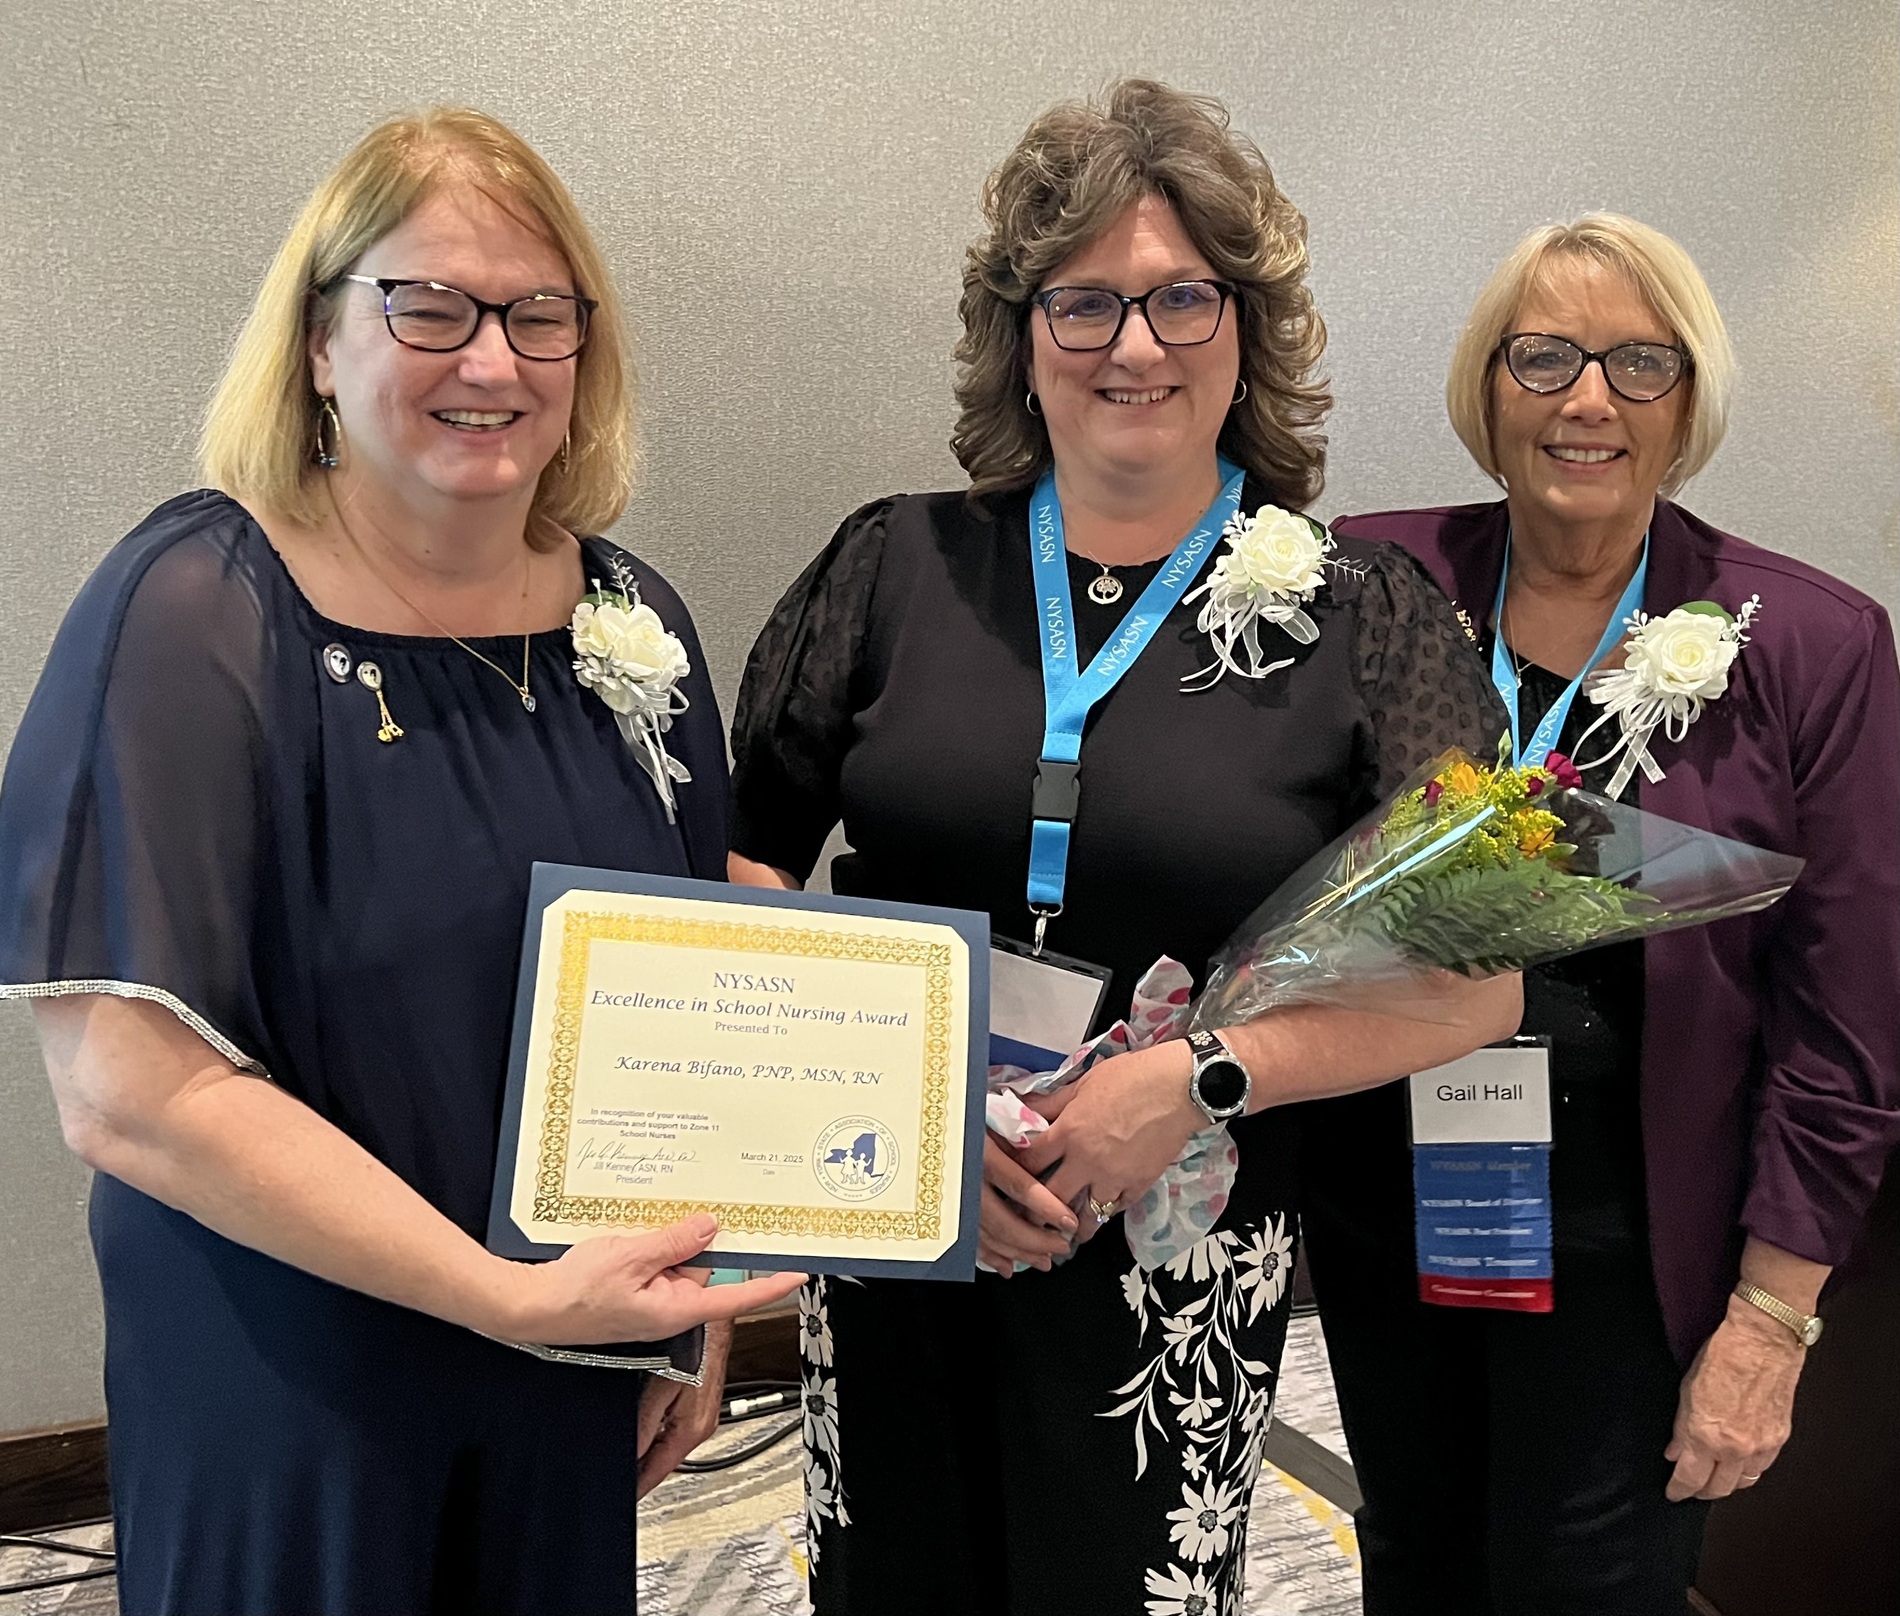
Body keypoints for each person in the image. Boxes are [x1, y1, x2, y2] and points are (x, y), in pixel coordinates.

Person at [727, 79, 1521, 1615]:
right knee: (893, 1580)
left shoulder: (1366, 621)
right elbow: (744, 863)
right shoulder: (891, 566)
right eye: (1083, 303)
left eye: (1180, 299)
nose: (1134, 346)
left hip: (1177, 1247)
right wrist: (887, 1098)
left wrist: (1203, 1076)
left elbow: (1475, 988)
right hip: (894, 1201)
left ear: (1248, 328)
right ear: (1022, 335)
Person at [0, 108, 801, 1616]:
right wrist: (507, 1298)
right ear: (318, 340)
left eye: (539, 314)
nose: (491, 362)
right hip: (293, 1371)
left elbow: (692, 1006)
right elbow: (128, 1091)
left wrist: (686, 1309)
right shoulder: (195, 609)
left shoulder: (636, 621)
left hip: (571, 1346)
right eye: (428, 307)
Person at [1309, 213, 1900, 1614]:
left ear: (1689, 400)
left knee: (1591, 1587)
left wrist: (1773, 1322)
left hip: (1641, 1253)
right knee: (1414, 1565)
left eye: (1642, 362)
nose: (1589, 399)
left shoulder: (1812, 643)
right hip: (1392, 1218)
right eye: (1546, 357)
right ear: (1487, 386)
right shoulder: (1372, 583)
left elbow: (1847, 1028)